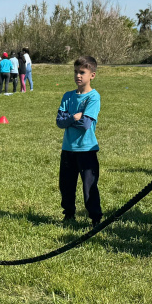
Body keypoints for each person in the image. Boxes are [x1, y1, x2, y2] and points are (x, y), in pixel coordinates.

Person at [56, 56, 102, 225]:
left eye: (82, 72)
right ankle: (68, 215)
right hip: (68, 149)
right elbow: (59, 122)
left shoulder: (93, 97)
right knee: (66, 186)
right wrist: (73, 117)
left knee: (89, 187)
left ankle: (95, 219)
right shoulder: (68, 96)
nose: (78, 76)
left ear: (92, 75)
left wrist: (71, 119)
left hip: (87, 150)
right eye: (75, 72)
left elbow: (86, 124)